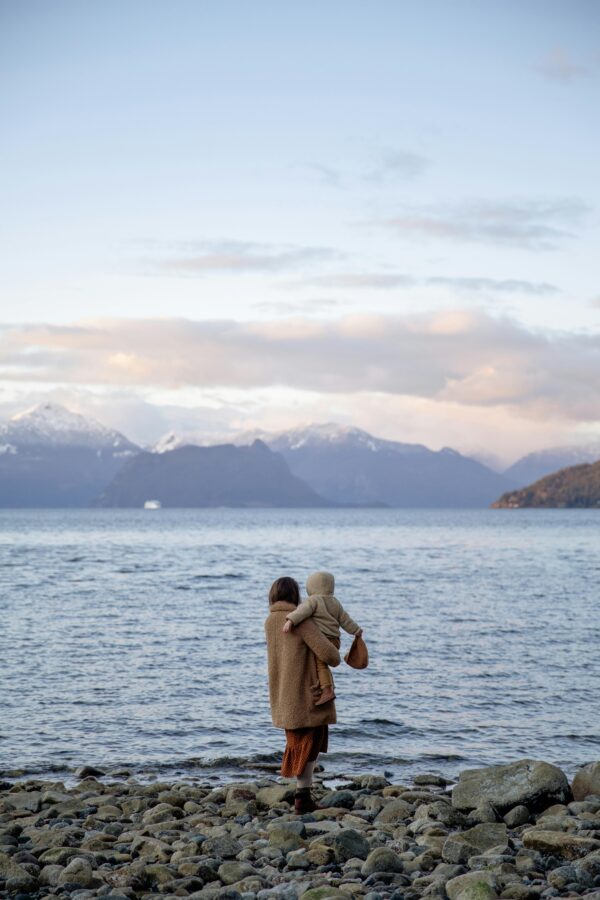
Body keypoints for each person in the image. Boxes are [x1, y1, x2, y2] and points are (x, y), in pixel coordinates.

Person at [265, 575, 341, 813]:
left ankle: (303, 797)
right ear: (296, 596)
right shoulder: (302, 621)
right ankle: (302, 799)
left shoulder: (269, 621)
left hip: (283, 695)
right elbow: (331, 656)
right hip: (307, 695)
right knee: (310, 744)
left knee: (297, 744)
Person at [282, 571, 362, 706]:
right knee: (324, 665)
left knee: (320, 665)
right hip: (335, 640)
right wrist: (356, 630)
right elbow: (345, 620)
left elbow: (301, 612)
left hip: (322, 640)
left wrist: (290, 621)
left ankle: (327, 690)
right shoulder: (335, 602)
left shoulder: (313, 600)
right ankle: (329, 687)